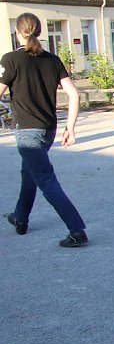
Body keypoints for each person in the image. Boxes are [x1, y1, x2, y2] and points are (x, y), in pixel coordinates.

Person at [0, 13, 88, 248]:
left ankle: (77, 230)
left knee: (46, 180)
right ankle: (20, 217)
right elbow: (74, 94)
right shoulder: (52, 60)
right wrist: (70, 127)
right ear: (39, 32)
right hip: (48, 129)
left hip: (27, 130)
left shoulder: (9, 60)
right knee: (29, 172)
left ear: (17, 32)